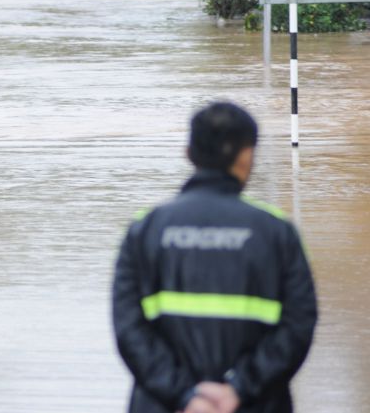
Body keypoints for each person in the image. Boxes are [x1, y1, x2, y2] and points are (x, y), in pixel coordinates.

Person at [112, 102, 317, 413]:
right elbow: (298, 325)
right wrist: (239, 388)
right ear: (246, 155)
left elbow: (129, 329)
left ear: (189, 153)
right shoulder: (277, 231)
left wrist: (184, 396)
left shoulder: (145, 228)